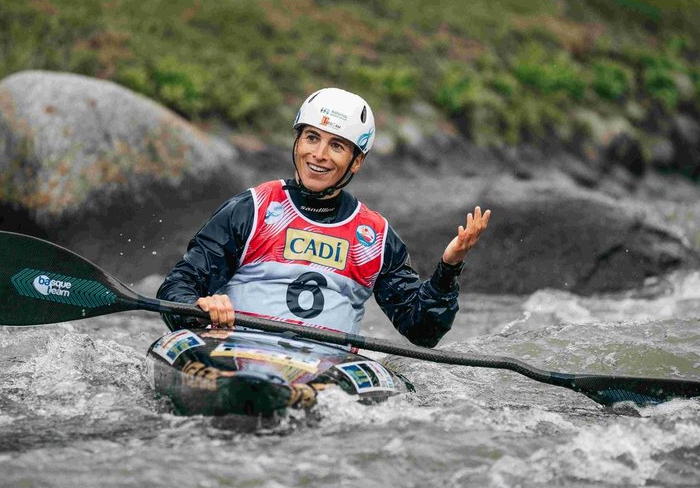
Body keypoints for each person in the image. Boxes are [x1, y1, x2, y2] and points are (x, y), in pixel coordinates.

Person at [157, 88, 491, 348]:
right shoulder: (251, 210)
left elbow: (422, 331)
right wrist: (200, 307)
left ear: (356, 161)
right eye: (312, 138)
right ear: (297, 141)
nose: (318, 155)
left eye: (336, 146)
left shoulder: (373, 237)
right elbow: (178, 286)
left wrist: (448, 268)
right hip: (238, 354)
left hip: (322, 371)